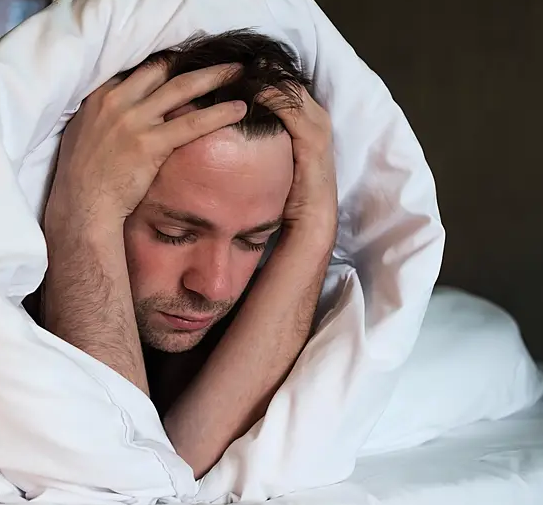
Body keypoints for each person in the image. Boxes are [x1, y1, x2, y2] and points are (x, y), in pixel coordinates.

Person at [30, 29, 338, 478]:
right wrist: (82, 213)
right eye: (174, 233)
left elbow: (161, 479)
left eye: (253, 241)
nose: (214, 287)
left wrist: (314, 228)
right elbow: (123, 473)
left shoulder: (246, 306)